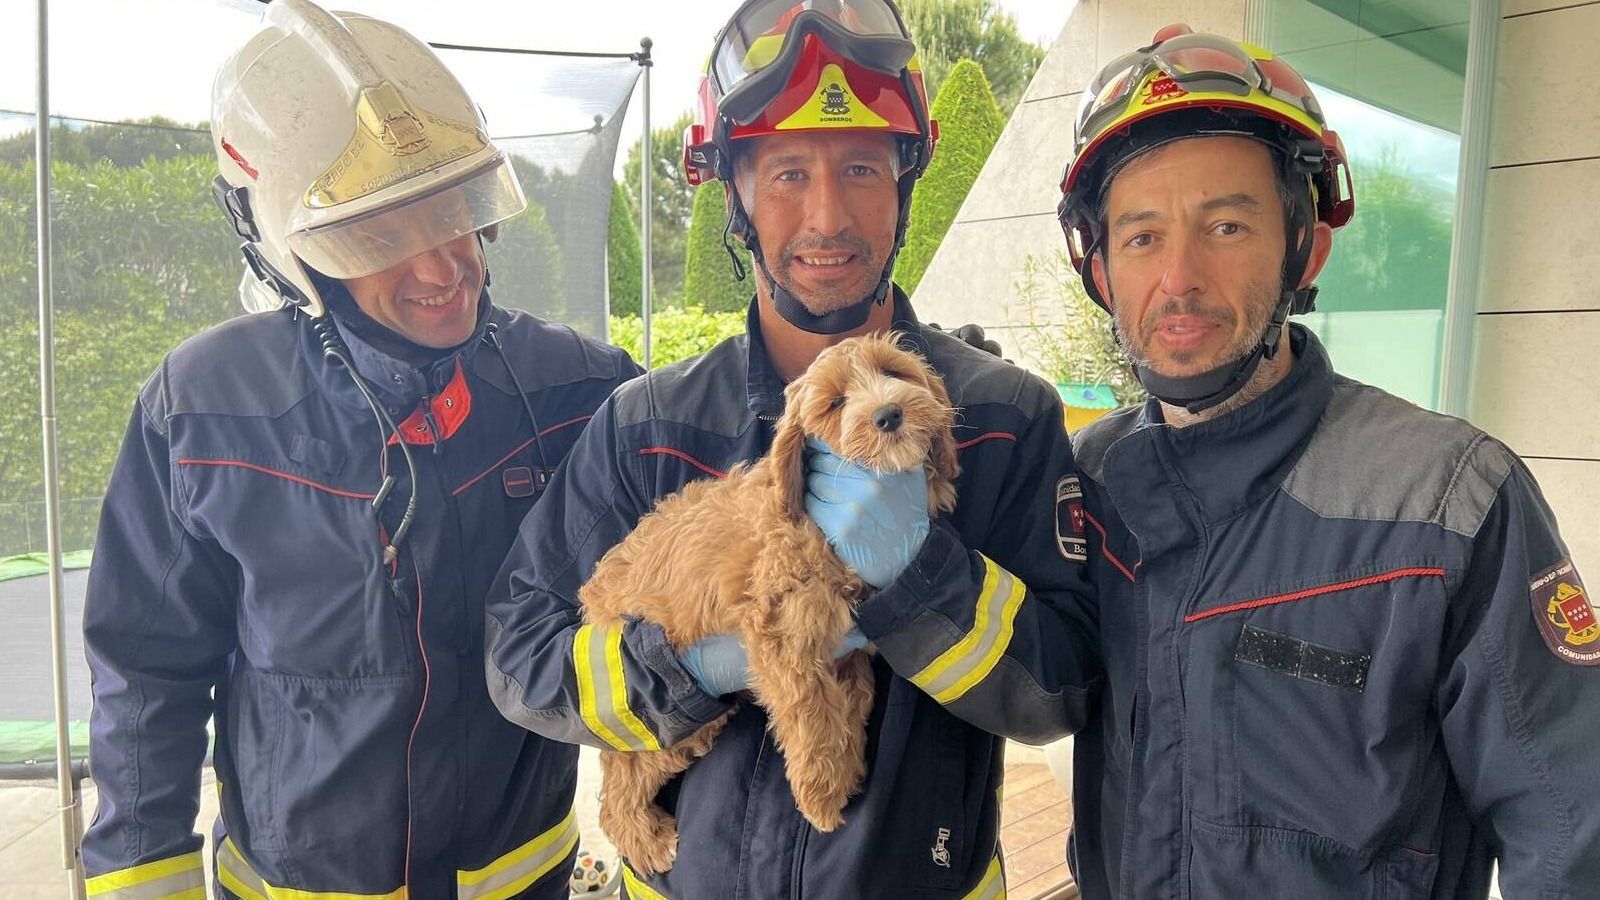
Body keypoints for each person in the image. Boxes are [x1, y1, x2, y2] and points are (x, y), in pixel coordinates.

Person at [484, 1, 1102, 897]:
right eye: (784, 173)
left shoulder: (1004, 415)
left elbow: (1062, 686)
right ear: (733, 193)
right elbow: (520, 654)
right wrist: (684, 668)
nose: (827, 216)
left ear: (903, 183)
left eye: (860, 167)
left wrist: (921, 580)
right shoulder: (647, 425)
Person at [80, 2, 640, 897]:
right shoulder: (200, 415)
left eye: (453, 207)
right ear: (286, 253)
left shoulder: (577, 391)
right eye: (380, 232)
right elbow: (147, 676)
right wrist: (142, 881)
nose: (442, 265)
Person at [1054, 24, 1600, 899]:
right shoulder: (1083, 485)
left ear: (1306, 244)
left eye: (1226, 224)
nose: (1180, 276)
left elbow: (1574, 836)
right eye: (1142, 235)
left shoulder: (1450, 503)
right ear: (1102, 270)